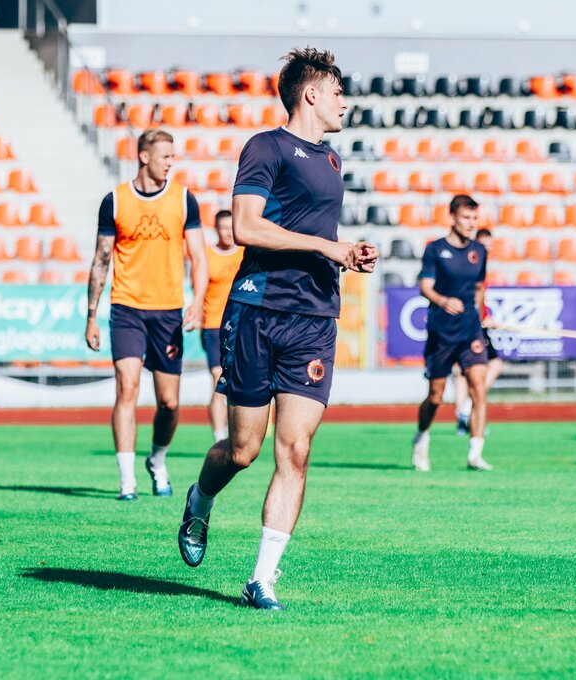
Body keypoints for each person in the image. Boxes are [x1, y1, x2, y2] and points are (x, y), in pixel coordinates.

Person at [176, 47, 378, 611]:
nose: (344, 102)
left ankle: (262, 578)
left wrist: (347, 253)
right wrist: (326, 247)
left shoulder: (332, 160)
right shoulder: (265, 147)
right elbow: (244, 226)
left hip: (314, 318)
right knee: (243, 450)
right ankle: (200, 499)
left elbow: (317, 234)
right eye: (337, 92)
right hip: (258, 309)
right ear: (311, 93)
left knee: (296, 449)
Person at [85, 128, 208, 500]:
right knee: (127, 388)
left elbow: (198, 256)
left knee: (169, 403)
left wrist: (198, 301)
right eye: (165, 156)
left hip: (168, 312)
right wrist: (91, 314)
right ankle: (127, 481)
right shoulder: (115, 201)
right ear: (144, 156)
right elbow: (101, 260)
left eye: (172, 156)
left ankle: (157, 459)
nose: (171, 162)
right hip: (126, 308)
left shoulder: (184, 200)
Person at [411, 194, 492, 472]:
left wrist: (480, 316)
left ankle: (475, 453)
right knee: (436, 395)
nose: (471, 223)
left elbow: (479, 287)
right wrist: (443, 301)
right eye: (466, 218)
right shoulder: (435, 249)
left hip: (470, 331)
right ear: (453, 217)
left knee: (479, 387)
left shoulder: (479, 251)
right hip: (442, 331)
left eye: (474, 218)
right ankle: (421, 439)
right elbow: (425, 287)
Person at [453, 227, 503, 435]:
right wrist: (480, 319)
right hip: (470, 325)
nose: (487, 250)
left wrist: (486, 315)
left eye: (490, 246)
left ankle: (463, 415)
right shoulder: (471, 265)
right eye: (484, 246)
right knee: (488, 366)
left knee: (464, 371)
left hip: (474, 322)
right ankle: (466, 410)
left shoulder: (478, 265)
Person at [202, 209, 245, 443]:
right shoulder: (207, 256)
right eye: (224, 228)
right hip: (213, 325)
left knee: (240, 379)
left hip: (241, 324)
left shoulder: (245, 253)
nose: (228, 233)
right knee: (218, 378)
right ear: (216, 229)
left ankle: (238, 431)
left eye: (231, 228)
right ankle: (219, 437)